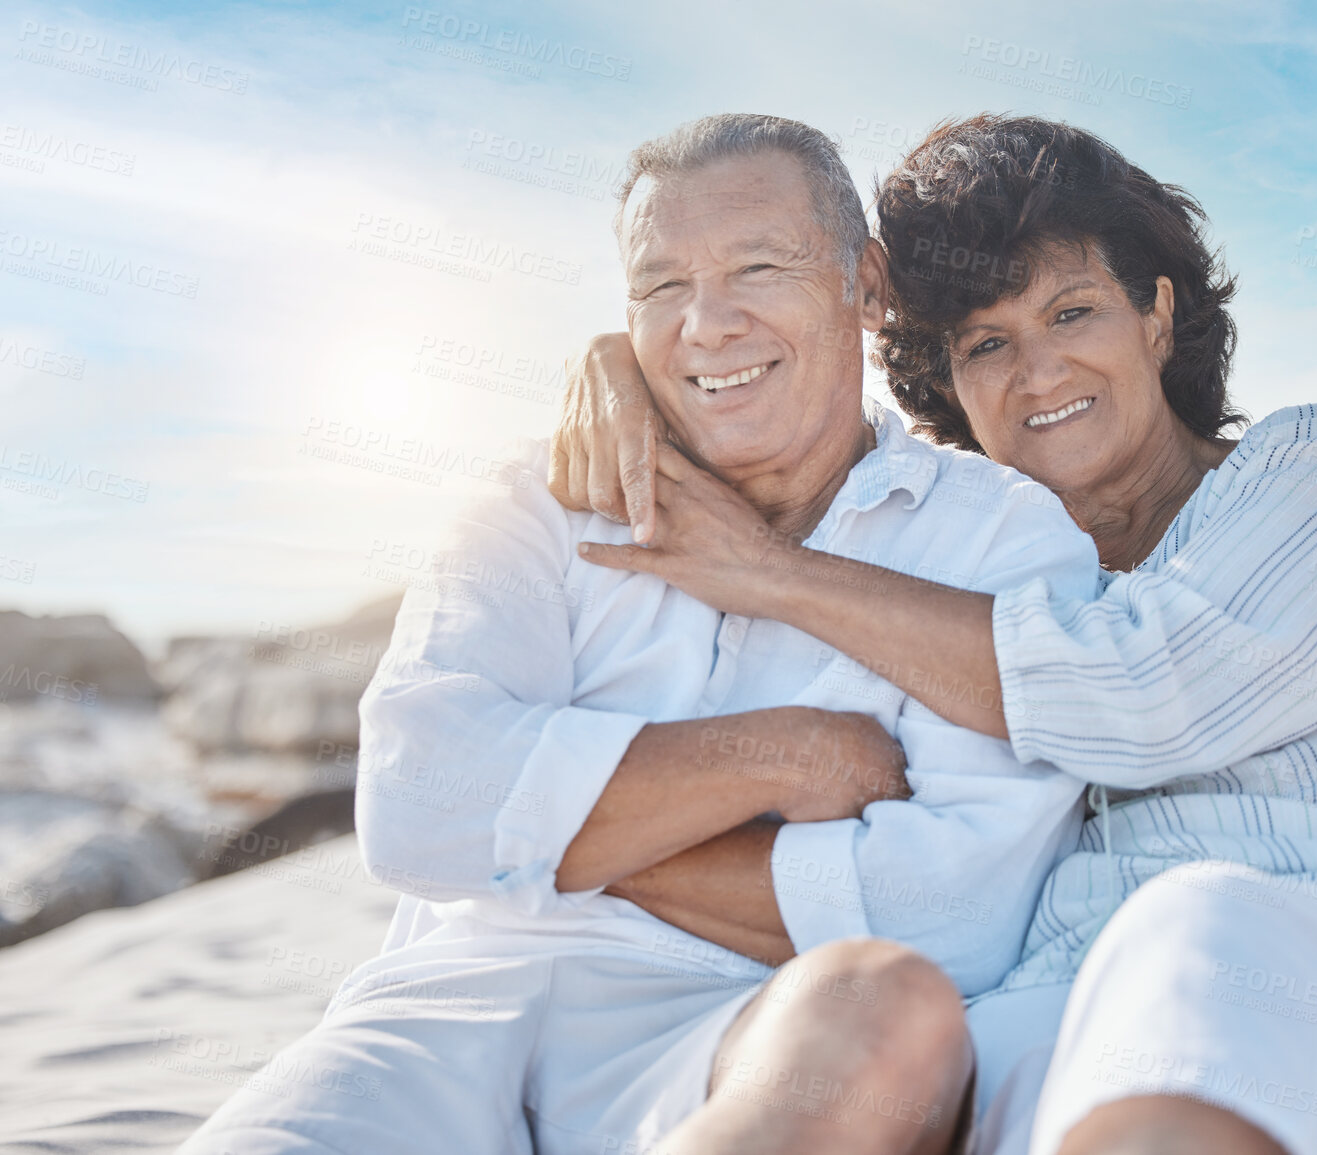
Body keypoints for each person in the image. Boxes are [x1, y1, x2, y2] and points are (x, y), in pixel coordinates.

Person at [554, 115, 1317, 1155]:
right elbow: (900, 877)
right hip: (1072, 1008)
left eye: (1072, 313)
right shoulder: (940, 573)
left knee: (1198, 934)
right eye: (985, 343)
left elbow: (1147, 694)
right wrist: (622, 364)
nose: (1038, 372)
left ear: (1157, 317)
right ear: (950, 390)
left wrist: (772, 578)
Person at [180, 114, 1101, 1155]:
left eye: (759, 265)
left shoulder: (999, 536)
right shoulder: (537, 500)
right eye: (663, 286)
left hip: (736, 1019)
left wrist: (539, 841)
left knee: (887, 1006)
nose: (706, 324)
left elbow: (950, 914)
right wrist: (787, 755)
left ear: (867, 286)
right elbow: (413, 806)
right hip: (456, 1000)